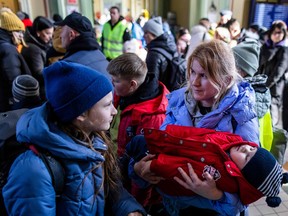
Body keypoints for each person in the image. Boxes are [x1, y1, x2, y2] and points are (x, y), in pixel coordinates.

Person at [128, 40, 259, 215]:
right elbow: (160, 147)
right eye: (192, 72)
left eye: (204, 75)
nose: (194, 82)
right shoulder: (178, 102)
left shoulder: (242, 115)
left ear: (226, 79)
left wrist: (216, 195)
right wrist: (138, 170)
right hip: (175, 206)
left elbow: (250, 188)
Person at [2, 61, 146, 216]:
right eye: (107, 105)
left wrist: (128, 209)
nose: (114, 111)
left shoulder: (93, 139)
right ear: (81, 113)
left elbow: (108, 187)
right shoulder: (34, 169)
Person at [137, 125, 287, 207]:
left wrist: (157, 164)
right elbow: (198, 133)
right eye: (253, 149)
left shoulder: (222, 176)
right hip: (165, 143)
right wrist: (168, 133)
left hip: (158, 164)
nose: (246, 148)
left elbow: (186, 169)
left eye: (247, 157)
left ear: (243, 174)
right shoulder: (233, 141)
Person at [107, 53, 169, 215]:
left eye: (116, 81)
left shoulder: (153, 118)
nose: (112, 83)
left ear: (133, 84)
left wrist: (135, 205)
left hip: (134, 189)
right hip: (118, 169)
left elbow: (145, 172)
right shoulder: (123, 94)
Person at [232, 39, 273, 151]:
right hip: (260, 151)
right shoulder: (260, 91)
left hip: (248, 154)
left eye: (230, 64)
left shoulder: (244, 97)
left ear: (243, 71)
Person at [55, 12, 110, 78]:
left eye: (62, 31)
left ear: (71, 34)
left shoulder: (69, 66)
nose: (60, 36)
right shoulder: (101, 56)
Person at [257, 20, 288, 129]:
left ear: (284, 34)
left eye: (280, 32)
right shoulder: (265, 47)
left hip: (274, 89)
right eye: (274, 32)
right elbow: (259, 66)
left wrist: (265, 85)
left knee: (271, 119)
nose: (276, 35)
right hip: (261, 87)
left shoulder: (284, 50)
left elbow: (278, 72)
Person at [0, 7, 31, 112]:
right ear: (10, 31)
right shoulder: (8, 49)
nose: (21, 35)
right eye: (18, 31)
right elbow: (14, 80)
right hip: (10, 105)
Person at [21, 16, 54, 100]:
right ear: (38, 32)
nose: (50, 37)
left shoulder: (37, 44)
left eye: (51, 33)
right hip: (39, 91)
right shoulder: (34, 49)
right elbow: (39, 73)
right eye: (47, 33)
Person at [142, 16, 178, 91]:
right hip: (170, 91)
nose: (143, 36)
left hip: (161, 94)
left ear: (153, 34)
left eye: (146, 33)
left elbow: (152, 83)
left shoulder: (154, 54)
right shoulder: (170, 46)